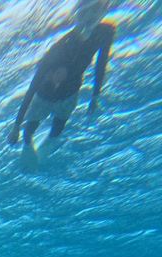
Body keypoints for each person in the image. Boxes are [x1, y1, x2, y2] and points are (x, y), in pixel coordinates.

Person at [8, 0, 116, 170]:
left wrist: (96, 96)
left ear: (103, 11)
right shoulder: (58, 48)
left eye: (96, 10)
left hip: (70, 95)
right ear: (77, 16)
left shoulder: (105, 32)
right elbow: (32, 88)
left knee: (57, 131)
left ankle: (44, 146)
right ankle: (28, 143)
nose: (90, 18)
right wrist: (16, 127)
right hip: (44, 96)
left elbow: (101, 64)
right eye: (84, 13)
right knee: (28, 131)